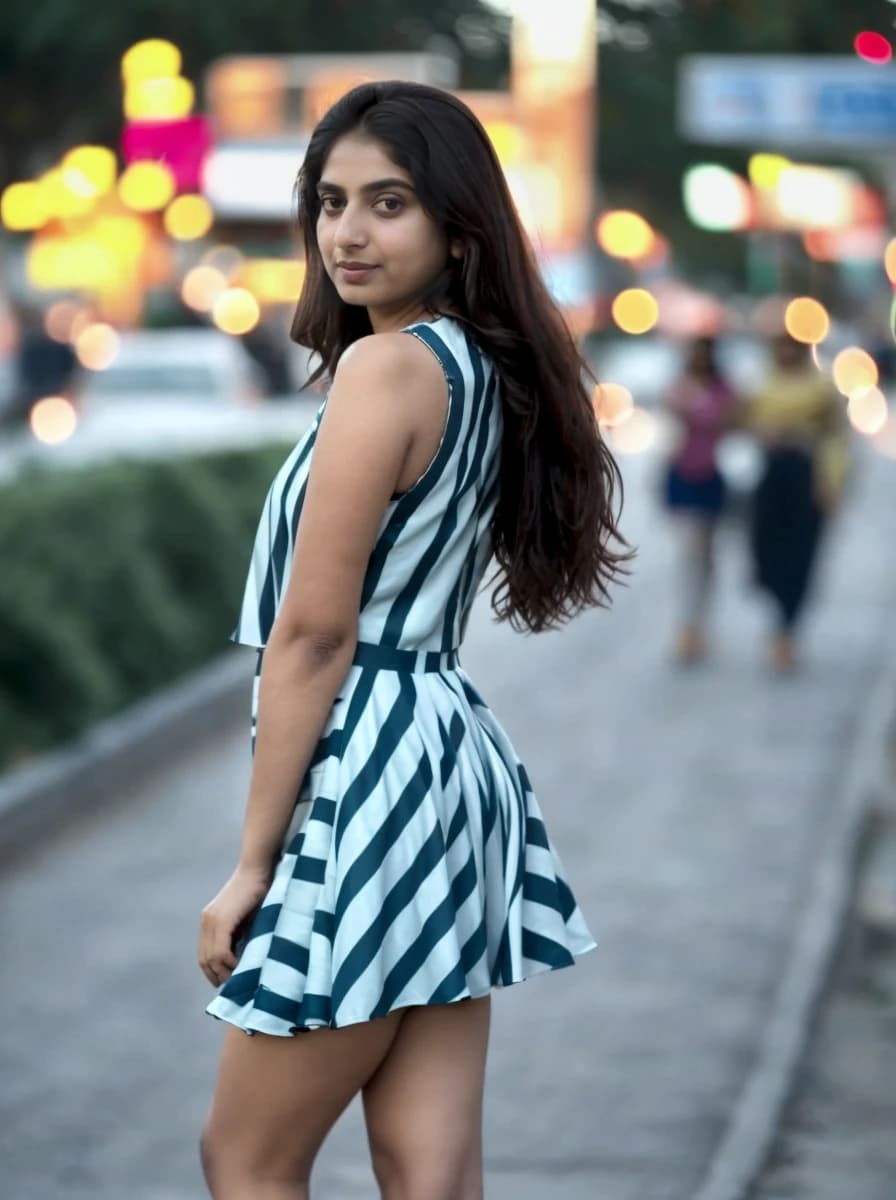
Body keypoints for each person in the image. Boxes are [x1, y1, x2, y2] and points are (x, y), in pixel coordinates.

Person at [196, 80, 629, 1200]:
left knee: (245, 1156)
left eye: (387, 203)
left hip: (373, 768)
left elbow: (312, 636)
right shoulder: (478, 371)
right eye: (331, 202)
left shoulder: (386, 369)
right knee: (428, 1170)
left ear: (454, 222)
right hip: (446, 760)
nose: (347, 232)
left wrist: (252, 863)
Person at [741, 331, 849, 673]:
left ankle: (787, 630)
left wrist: (831, 483)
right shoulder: (761, 384)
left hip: (806, 477)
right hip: (770, 476)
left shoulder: (822, 388)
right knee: (765, 549)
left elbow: (836, 438)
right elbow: (742, 422)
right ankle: (778, 615)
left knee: (801, 553)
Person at [661, 335, 738, 664]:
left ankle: (699, 623)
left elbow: (731, 421)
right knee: (689, 551)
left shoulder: (723, 391)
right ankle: (689, 625)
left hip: (711, 475)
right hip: (682, 475)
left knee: (705, 554)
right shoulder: (679, 387)